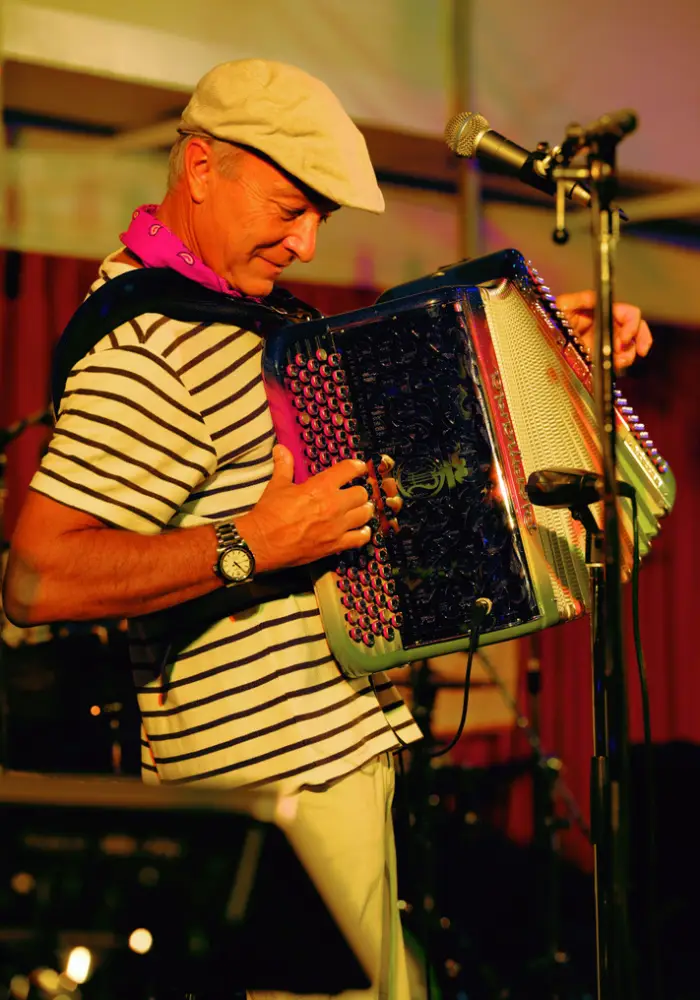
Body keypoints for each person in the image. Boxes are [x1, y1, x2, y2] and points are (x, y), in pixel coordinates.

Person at [2, 59, 652, 1000]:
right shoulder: (147, 348)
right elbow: (36, 578)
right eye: (288, 206)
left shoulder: (250, 323)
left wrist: (545, 336)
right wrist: (252, 543)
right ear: (199, 169)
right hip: (272, 785)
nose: (306, 243)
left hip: (340, 762)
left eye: (321, 218)